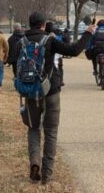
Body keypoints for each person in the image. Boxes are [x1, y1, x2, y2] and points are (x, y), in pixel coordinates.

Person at [22, 12, 94, 184]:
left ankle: (34, 162)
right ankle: (47, 173)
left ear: (30, 24)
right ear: (43, 24)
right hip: (51, 90)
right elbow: (74, 50)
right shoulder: (49, 41)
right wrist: (88, 33)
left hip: (30, 91)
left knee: (33, 128)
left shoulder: (21, 41)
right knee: (51, 131)